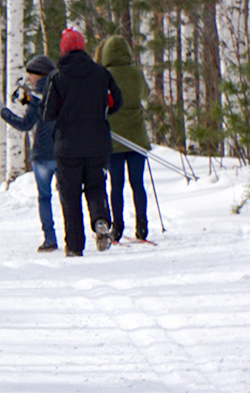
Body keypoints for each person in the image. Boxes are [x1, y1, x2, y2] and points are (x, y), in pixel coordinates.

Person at [41, 27, 121, 257]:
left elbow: (47, 112)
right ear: (83, 47)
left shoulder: (57, 78)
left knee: (70, 194)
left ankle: (75, 246)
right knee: (96, 187)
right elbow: (116, 102)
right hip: (97, 143)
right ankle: (100, 221)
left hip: (68, 146)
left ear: (64, 50)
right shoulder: (101, 73)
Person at [0, 54, 59, 253]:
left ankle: (50, 238)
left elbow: (25, 124)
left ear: (39, 75)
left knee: (44, 197)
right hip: (61, 150)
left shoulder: (37, 95)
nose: (28, 79)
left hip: (42, 154)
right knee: (67, 195)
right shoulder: (60, 90)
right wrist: (26, 100)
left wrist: (3, 112)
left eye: (30, 75)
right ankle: (73, 235)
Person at [96, 35, 152, 244]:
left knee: (116, 184)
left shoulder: (104, 75)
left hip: (114, 138)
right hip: (137, 137)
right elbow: (146, 93)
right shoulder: (136, 74)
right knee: (137, 183)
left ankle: (117, 227)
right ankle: (142, 224)